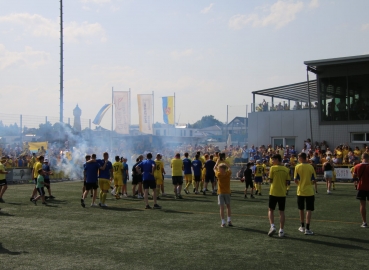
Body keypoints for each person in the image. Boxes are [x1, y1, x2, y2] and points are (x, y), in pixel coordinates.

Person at [267, 154, 291, 237]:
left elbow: (270, 180)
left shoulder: (273, 168)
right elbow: (287, 182)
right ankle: (281, 230)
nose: (272, 161)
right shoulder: (286, 169)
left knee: (270, 210)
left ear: (277, 159)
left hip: (273, 192)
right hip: (282, 193)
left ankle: (272, 226)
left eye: (273, 160)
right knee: (281, 211)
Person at [294, 153, 316, 235]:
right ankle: (307, 228)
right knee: (309, 209)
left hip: (300, 191)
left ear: (301, 158)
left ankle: (302, 226)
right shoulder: (311, 167)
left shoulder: (297, 167)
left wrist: (300, 184)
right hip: (309, 191)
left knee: (301, 209)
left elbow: (295, 179)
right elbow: (314, 180)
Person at [214, 159, 232, 227]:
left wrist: (217, 162)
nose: (218, 169)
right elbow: (229, 167)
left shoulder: (218, 174)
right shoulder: (228, 173)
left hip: (221, 192)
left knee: (222, 207)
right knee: (228, 206)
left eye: (219, 168)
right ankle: (229, 220)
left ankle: (223, 222)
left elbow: (214, 168)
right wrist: (224, 161)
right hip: (227, 192)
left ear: (221, 169)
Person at [353, 153, 369, 228]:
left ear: (362, 158)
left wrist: (356, 182)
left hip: (362, 187)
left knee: (362, 205)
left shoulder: (357, 166)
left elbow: (354, 176)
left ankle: (364, 222)